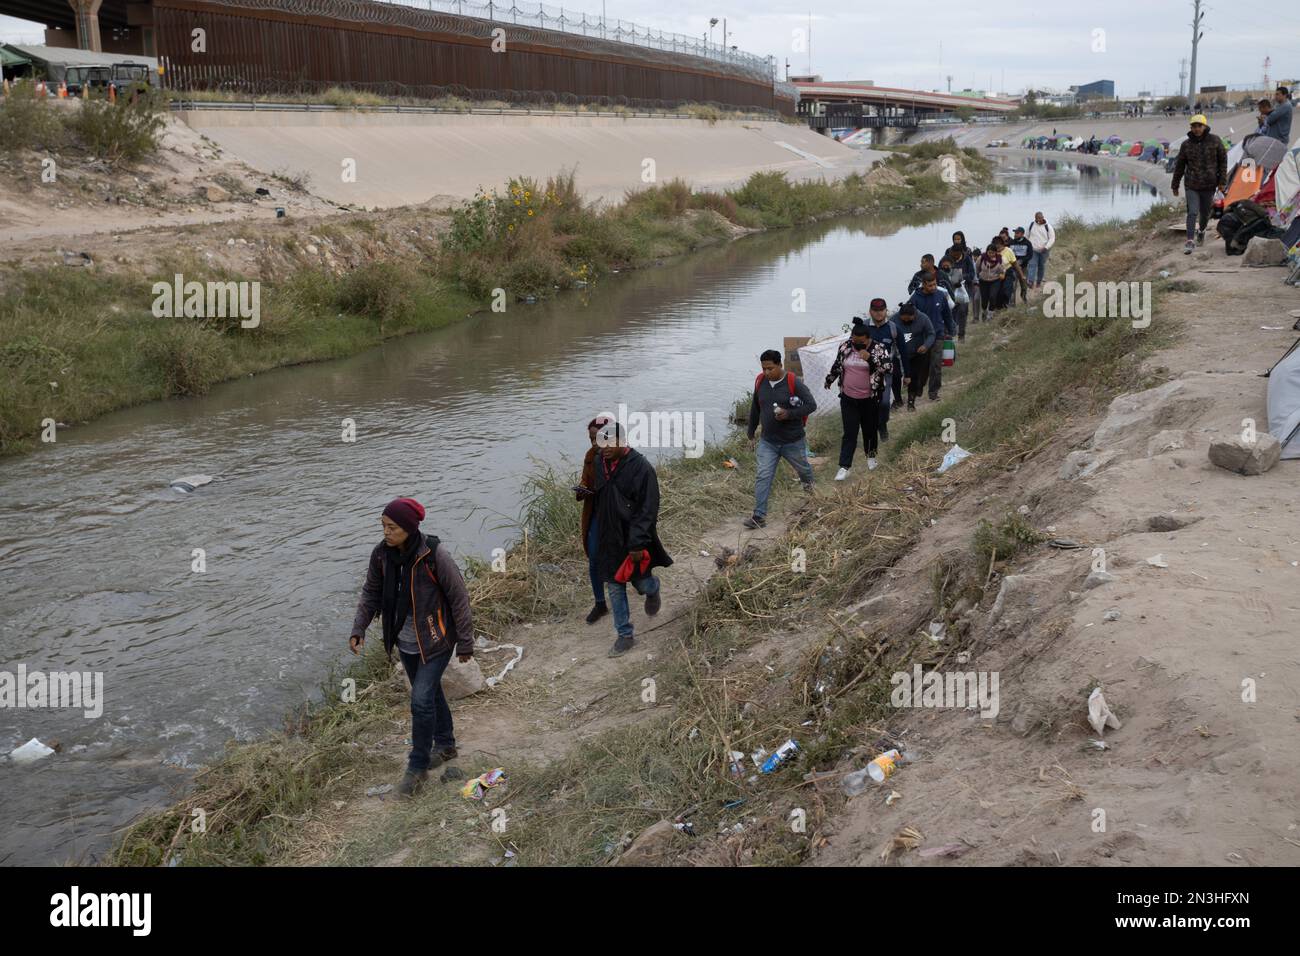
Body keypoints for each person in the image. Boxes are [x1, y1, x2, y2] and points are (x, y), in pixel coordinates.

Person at [349, 497, 475, 797]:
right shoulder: (381, 556)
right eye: (383, 526)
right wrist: (359, 628)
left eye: (392, 527)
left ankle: (416, 768)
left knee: (420, 701)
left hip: (436, 640)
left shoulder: (434, 555)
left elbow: (459, 598)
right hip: (404, 642)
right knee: (431, 693)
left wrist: (466, 642)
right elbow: (371, 593)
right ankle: (445, 744)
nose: (386, 533)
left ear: (408, 527)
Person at [589, 421, 673, 657]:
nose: (604, 448)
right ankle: (625, 634)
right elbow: (601, 499)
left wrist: (637, 542)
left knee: (640, 583)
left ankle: (653, 587)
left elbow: (648, 509)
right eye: (600, 443)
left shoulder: (641, 468)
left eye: (610, 443)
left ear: (623, 442)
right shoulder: (599, 462)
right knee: (614, 586)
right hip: (609, 537)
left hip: (633, 539)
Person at [745, 350, 817, 529]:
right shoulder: (760, 381)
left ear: (779, 365)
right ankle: (759, 516)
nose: (767, 372)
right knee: (763, 475)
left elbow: (811, 405)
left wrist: (789, 414)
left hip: (792, 441)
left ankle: (813, 500)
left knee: (804, 472)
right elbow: (755, 407)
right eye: (764, 368)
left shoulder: (793, 382)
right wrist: (751, 433)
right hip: (768, 441)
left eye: (770, 368)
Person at [825, 317, 892, 480]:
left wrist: (869, 358)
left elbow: (887, 367)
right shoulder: (846, 347)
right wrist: (830, 379)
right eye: (854, 341)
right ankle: (844, 466)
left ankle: (871, 457)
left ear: (868, 339)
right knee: (850, 432)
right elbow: (838, 365)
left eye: (861, 342)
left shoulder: (878, 348)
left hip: (870, 398)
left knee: (869, 430)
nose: (857, 344)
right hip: (848, 398)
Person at [1171, 113, 1227, 254]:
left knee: (1205, 213)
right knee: (1192, 212)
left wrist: (1222, 182)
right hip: (1192, 184)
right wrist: (1175, 184)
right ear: (1191, 127)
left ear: (1204, 126)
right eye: (1194, 126)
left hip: (1209, 184)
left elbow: (1223, 162)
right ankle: (1190, 241)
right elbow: (1180, 166)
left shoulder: (1215, 141)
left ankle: (1201, 231)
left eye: (1199, 126)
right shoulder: (1186, 145)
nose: (1196, 129)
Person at [576, 415, 612, 625]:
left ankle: (643, 584)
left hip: (617, 515)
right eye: (590, 439)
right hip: (596, 513)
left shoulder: (624, 458)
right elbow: (585, 481)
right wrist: (582, 490)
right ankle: (600, 603)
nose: (594, 444)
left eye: (597, 438)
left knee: (625, 554)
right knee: (594, 558)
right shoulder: (590, 456)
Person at [909, 273, 954, 401]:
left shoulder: (940, 295)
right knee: (923, 366)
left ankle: (933, 392)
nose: (933, 287)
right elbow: (907, 317)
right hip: (921, 338)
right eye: (930, 285)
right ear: (923, 284)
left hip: (938, 335)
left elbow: (947, 315)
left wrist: (951, 330)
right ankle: (919, 386)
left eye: (935, 284)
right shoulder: (915, 299)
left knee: (936, 365)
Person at [940, 254, 972, 342]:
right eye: (944, 264)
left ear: (952, 264)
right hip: (946, 300)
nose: (946, 266)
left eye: (948, 264)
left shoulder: (957, 272)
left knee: (962, 313)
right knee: (949, 318)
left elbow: (962, 283)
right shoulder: (939, 274)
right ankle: (949, 336)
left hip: (958, 298)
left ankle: (961, 335)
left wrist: (959, 284)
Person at [977, 241, 1006, 320]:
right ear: (987, 252)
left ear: (996, 252)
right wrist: (980, 276)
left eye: (993, 253)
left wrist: (1001, 273)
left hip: (995, 281)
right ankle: (984, 311)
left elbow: (1003, 270)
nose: (991, 254)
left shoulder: (1000, 259)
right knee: (984, 299)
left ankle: (990, 314)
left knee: (993, 297)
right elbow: (978, 268)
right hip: (983, 281)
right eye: (989, 252)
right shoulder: (981, 258)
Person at [1027, 212, 1055, 290]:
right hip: (1033, 250)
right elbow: (1027, 236)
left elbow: (1052, 238)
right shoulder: (1031, 225)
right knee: (1032, 265)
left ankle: (1038, 282)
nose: (1038, 220)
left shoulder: (1048, 227)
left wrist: (1046, 247)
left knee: (1041, 266)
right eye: (1036, 218)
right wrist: (1028, 246)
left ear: (1043, 217)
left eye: (1039, 218)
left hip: (1044, 250)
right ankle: (1030, 282)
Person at [1008, 226, 1033, 303]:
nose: (1015, 234)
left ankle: (1023, 295)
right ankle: (1012, 302)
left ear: (1022, 234)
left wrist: (1022, 260)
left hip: (1023, 267)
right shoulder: (1011, 242)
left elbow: (1030, 255)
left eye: (1017, 233)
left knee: (1023, 284)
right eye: (1015, 233)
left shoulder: (1027, 243)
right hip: (1013, 267)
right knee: (1012, 285)